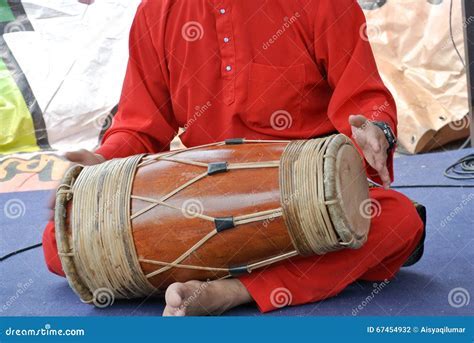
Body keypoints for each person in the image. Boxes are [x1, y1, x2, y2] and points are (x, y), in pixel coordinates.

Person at [42, 0, 424, 316]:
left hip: (305, 202)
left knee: (398, 221)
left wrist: (376, 129)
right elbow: (140, 127)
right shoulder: (156, 11)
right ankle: (309, 268)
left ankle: (235, 290)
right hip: (196, 206)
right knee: (61, 242)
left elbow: (364, 97)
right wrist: (102, 160)